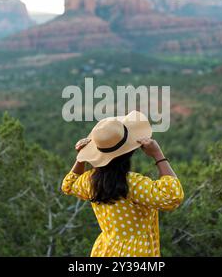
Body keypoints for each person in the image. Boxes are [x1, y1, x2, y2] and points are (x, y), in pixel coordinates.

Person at [61, 110, 184, 257]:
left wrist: (81, 157)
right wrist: (158, 155)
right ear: (130, 152)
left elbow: (68, 184)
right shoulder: (134, 184)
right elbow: (173, 196)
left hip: (104, 251)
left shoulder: (91, 181)